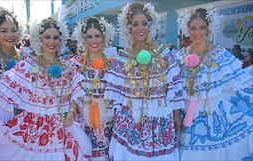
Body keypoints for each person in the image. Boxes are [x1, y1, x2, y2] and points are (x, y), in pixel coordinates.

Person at [0, 17, 91, 161]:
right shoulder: (27, 66)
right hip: (35, 129)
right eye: (47, 37)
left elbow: (75, 93)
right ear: (39, 39)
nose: (51, 41)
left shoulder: (68, 66)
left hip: (65, 126)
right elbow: (1, 90)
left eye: (55, 37)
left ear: (61, 40)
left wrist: (71, 112)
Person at [103, 2, 184, 160]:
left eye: (144, 23)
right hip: (132, 119)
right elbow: (117, 96)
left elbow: (174, 86)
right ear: (129, 28)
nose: (140, 28)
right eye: (135, 24)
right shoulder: (122, 58)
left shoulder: (164, 53)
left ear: (150, 26)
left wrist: (176, 115)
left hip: (161, 117)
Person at [177, 7, 253, 161]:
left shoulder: (220, 54)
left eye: (202, 28)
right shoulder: (180, 55)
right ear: (187, 30)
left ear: (208, 29)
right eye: (193, 28)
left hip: (214, 114)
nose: (197, 33)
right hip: (186, 115)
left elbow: (238, 83)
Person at [71, 16, 115, 161]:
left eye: (97, 36)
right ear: (83, 39)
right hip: (83, 115)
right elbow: (71, 92)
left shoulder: (113, 63)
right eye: (89, 37)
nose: (93, 40)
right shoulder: (76, 63)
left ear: (104, 37)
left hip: (108, 116)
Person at [0, 7, 28, 101]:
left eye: (13, 30)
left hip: (23, 113)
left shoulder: (26, 56)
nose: (10, 35)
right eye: (4, 31)